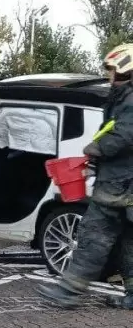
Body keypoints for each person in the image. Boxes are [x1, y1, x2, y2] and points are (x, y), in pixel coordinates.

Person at [39, 43, 133, 310]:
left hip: (119, 186)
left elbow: (126, 135)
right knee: (128, 242)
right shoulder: (122, 98)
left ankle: (68, 291)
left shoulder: (130, 99)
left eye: (113, 69)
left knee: (95, 235)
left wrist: (97, 149)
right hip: (124, 182)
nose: (110, 75)